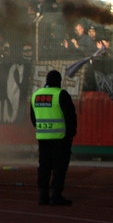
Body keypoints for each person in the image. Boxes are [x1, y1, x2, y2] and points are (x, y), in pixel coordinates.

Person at [30, 69, 77, 206]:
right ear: (59, 81)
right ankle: (56, 195)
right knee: (59, 167)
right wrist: (70, 134)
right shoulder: (61, 95)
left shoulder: (36, 95)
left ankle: (43, 195)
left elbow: (33, 119)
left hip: (43, 137)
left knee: (44, 166)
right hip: (60, 138)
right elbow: (70, 117)